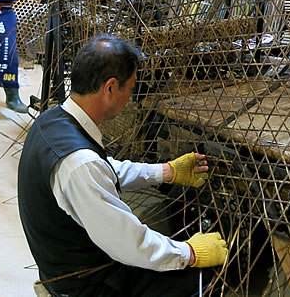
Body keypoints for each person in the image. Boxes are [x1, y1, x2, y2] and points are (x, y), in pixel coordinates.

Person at [18, 34, 228, 296]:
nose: (130, 96)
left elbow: (105, 169)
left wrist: (167, 172)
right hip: (85, 284)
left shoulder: (52, 120)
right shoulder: (80, 165)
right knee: (202, 279)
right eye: (130, 88)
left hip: (63, 263)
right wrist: (191, 253)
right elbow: (130, 243)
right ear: (110, 88)